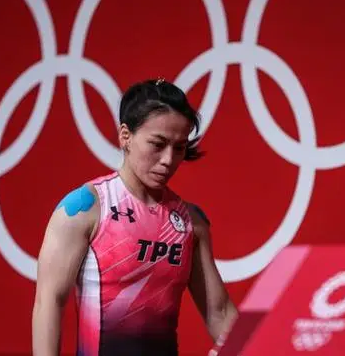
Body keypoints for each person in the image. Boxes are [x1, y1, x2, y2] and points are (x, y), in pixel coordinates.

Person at [32, 79, 238, 356]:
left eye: (179, 148)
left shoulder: (191, 222)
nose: (168, 160)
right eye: (157, 144)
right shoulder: (85, 208)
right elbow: (49, 301)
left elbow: (219, 312)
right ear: (125, 136)